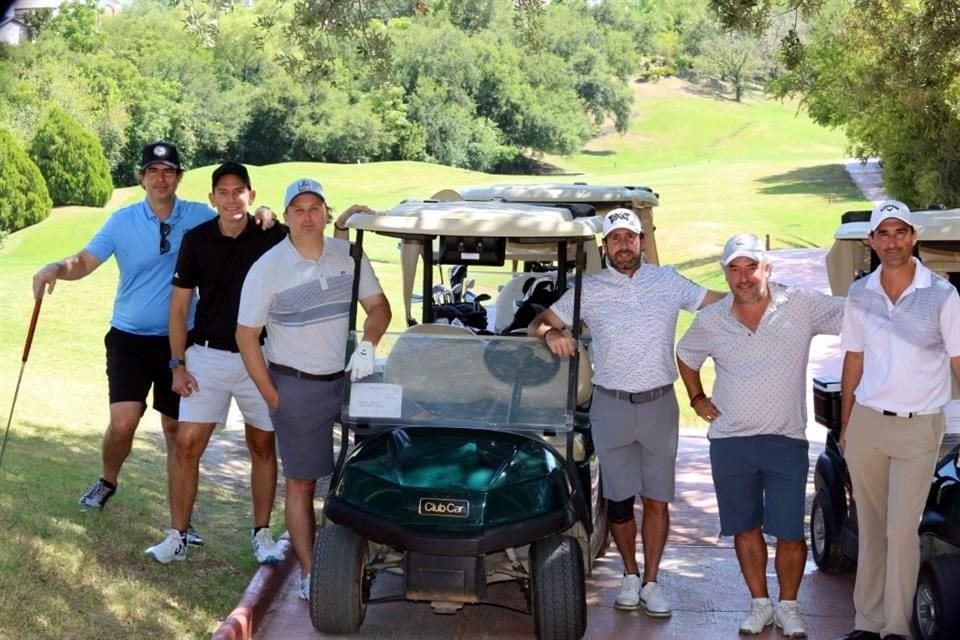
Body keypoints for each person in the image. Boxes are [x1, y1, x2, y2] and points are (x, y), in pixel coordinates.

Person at [31, 141, 273, 528]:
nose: (161, 178)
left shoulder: (197, 216)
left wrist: (264, 212)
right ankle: (108, 479)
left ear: (178, 177)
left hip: (182, 341)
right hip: (129, 337)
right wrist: (55, 267)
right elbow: (85, 262)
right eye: (153, 171)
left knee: (177, 431)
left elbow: (237, 214)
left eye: (169, 172)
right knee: (124, 422)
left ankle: (181, 520)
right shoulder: (122, 221)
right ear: (142, 177)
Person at [529, 207, 724, 617]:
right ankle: (630, 574)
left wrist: (759, 290)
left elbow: (716, 303)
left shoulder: (668, 281)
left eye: (630, 237)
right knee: (618, 500)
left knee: (657, 498)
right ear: (605, 246)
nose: (623, 244)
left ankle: (652, 581)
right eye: (615, 238)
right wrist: (555, 332)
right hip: (610, 405)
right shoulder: (589, 288)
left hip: (658, 404)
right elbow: (539, 323)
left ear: (641, 241)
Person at [676, 233, 844, 637]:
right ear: (725, 273)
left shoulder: (800, 304)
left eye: (751, 267)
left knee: (788, 530)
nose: (743, 277)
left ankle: (788, 606)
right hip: (730, 442)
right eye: (734, 268)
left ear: (767, 268)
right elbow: (686, 355)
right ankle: (760, 604)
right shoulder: (712, 319)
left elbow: (856, 314)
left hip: (785, 438)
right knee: (745, 526)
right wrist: (697, 397)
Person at [236, 178, 391, 601]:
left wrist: (367, 345)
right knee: (302, 483)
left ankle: (364, 553)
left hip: (348, 381)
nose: (307, 217)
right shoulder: (268, 267)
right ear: (286, 217)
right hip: (296, 386)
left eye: (314, 208)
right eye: (298, 209)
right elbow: (246, 335)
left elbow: (379, 308)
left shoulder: (347, 256)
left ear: (326, 213)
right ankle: (309, 573)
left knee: (364, 470)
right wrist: (271, 394)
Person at [144, 162, 287, 564]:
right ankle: (178, 535)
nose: (230, 199)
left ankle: (262, 535)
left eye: (238, 191)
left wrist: (275, 216)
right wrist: (176, 364)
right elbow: (179, 309)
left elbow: (309, 242)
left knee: (262, 443)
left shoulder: (271, 236)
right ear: (212, 199)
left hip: (259, 356)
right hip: (205, 354)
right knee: (188, 443)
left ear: (251, 196)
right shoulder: (197, 239)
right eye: (222, 192)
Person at [837, 201, 960, 640]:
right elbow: (853, 358)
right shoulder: (860, 294)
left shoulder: (943, 294)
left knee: (900, 530)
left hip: (919, 425)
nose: (892, 241)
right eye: (883, 233)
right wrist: (847, 424)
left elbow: (958, 360)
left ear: (913, 238)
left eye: (900, 232)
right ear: (872, 241)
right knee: (871, 528)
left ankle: (896, 629)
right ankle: (867, 624)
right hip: (869, 422)